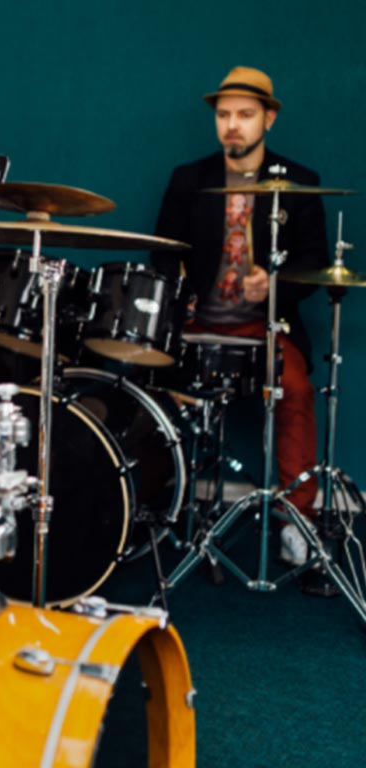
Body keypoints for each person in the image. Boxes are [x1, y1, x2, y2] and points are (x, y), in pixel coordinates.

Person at [151, 65, 328, 566]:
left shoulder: (300, 182)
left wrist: (275, 283)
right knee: (142, 382)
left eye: (245, 115)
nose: (232, 124)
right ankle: (145, 506)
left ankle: (298, 518)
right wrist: (180, 295)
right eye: (224, 115)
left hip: (266, 324)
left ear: (268, 119)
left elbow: (315, 262)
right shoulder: (189, 180)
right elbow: (162, 253)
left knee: (296, 391)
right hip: (195, 323)